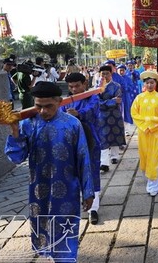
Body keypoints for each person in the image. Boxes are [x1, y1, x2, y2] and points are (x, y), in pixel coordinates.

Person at [4, 81, 94, 261]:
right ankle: (50, 255)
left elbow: (83, 159)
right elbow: (17, 158)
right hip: (39, 189)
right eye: (39, 106)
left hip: (68, 188)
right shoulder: (28, 124)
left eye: (48, 106)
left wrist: (88, 191)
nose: (43, 111)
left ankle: (66, 258)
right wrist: (15, 132)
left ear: (59, 102)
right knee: (43, 225)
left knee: (65, 226)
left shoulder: (72, 124)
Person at [62, 73, 102, 225]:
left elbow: (93, 111)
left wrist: (79, 113)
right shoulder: (65, 102)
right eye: (71, 87)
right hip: (71, 143)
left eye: (77, 85)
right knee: (73, 174)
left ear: (85, 83)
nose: (74, 89)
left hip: (91, 140)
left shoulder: (92, 97)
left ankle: (94, 208)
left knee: (92, 173)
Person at [131, 71, 158, 196]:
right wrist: (145, 125)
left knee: (155, 157)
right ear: (144, 84)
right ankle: (148, 178)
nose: (150, 85)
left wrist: (151, 124)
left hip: (156, 132)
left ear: (156, 83)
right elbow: (134, 114)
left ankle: (154, 185)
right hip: (143, 132)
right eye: (147, 83)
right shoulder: (139, 98)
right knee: (145, 155)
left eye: (152, 83)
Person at [97, 65, 126, 171]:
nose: (105, 76)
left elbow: (118, 99)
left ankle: (114, 156)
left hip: (115, 114)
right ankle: (104, 163)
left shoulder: (117, 86)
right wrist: (111, 101)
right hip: (102, 116)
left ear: (111, 74)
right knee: (103, 137)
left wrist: (108, 102)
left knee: (115, 134)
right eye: (102, 73)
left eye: (107, 73)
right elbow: (97, 103)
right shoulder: (97, 87)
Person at [117, 64, 136, 136]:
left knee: (126, 112)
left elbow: (131, 87)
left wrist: (125, 88)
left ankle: (126, 130)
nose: (121, 72)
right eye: (120, 70)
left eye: (123, 70)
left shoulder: (128, 78)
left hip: (126, 97)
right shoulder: (115, 78)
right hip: (118, 98)